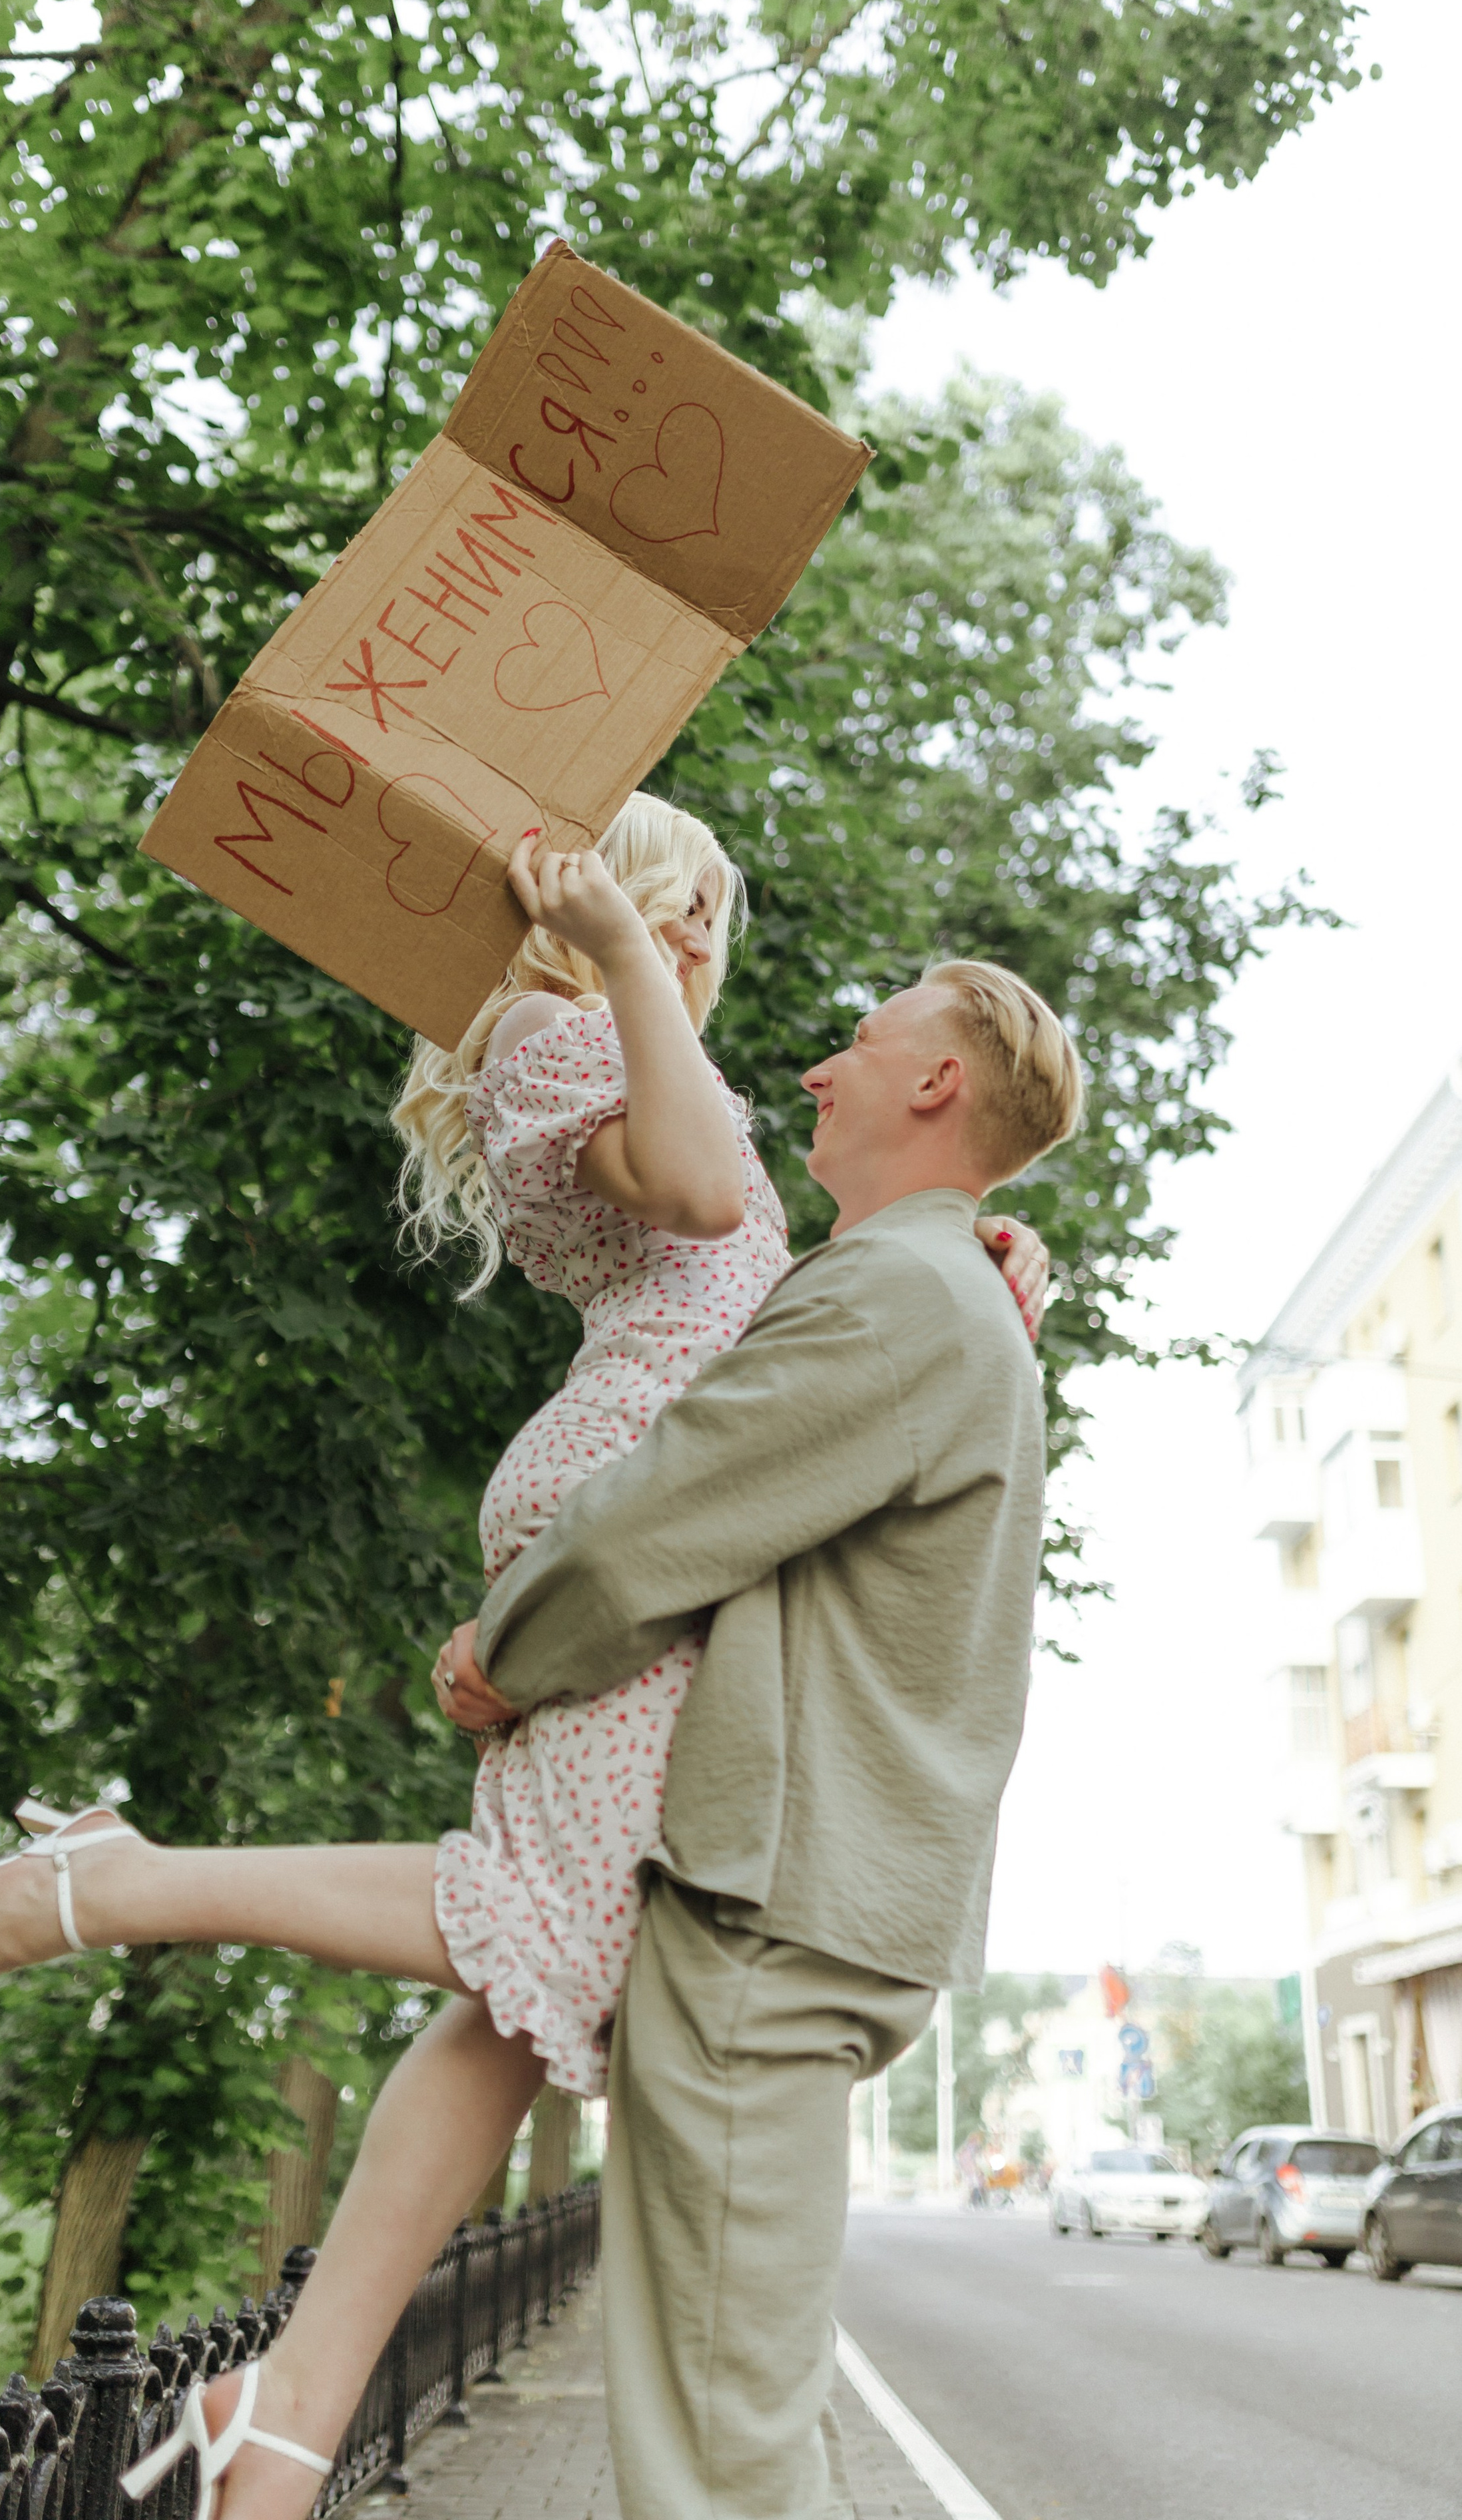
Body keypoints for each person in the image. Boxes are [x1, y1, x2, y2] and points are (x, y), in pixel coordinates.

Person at [0, 793, 1058, 2520]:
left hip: (648, 1501)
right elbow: (704, 1196)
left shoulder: (630, 1050)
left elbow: (787, 1294)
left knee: (525, 1987)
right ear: (591, 908)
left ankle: (288, 2417)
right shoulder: (552, 1037)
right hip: (629, 1516)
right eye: (677, 906)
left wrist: (961, 1236)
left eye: (705, 920)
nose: (701, 946)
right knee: (541, 1924)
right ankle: (116, 1884)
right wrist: (611, 953)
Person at [433, 953, 1084, 2520]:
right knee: (753, 2416)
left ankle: (83, 1889)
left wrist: (504, 1652)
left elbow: (669, 1510)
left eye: (858, 1041)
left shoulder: (904, 1294)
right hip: (824, 1899)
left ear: (935, 1082)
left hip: (770, 1905)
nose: (814, 1069)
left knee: (717, 2455)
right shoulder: (945, 1290)